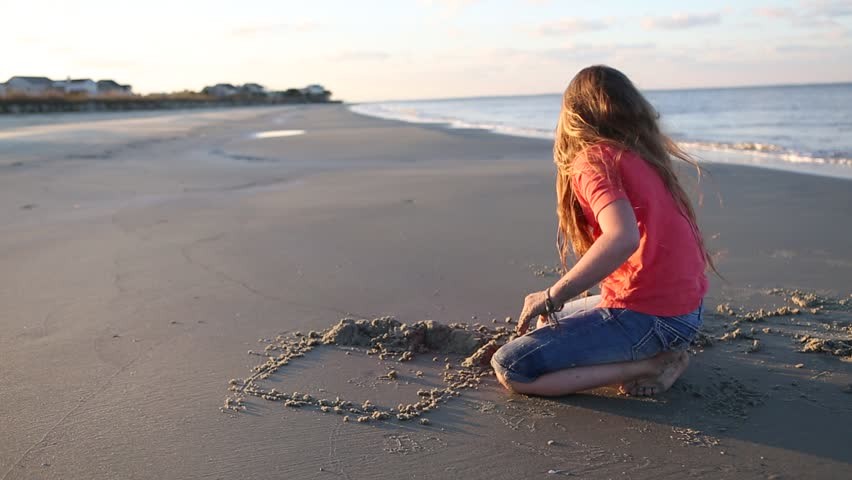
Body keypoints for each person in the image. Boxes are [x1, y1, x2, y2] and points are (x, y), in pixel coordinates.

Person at [490, 65, 714, 397]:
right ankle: (658, 355)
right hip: (686, 313)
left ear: (573, 116)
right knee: (549, 321)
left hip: (652, 318)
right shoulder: (644, 156)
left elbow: (621, 236)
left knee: (512, 366)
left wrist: (553, 294)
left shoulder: (592, 161)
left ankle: (653, 364)